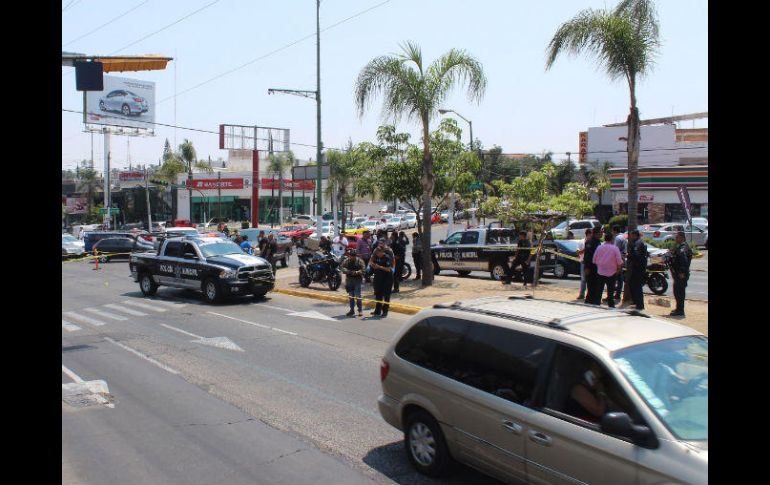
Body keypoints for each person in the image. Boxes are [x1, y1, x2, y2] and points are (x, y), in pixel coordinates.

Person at [593, 232, 624, 307]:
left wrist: (600, 264)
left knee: (599, 289)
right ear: (612, 239)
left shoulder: (599, 247)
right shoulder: (615, 248)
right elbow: (619, 261)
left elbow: (594, 260)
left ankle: (597, 303)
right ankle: (611, 305)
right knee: (610, 290)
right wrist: (618, 269)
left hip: (600, 271)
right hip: (612, 272)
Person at [669, 231, 692, 317]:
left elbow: (684, 261)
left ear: (682, 238)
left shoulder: (683, 248)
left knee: (679, 292)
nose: (675, 239)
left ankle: (680, 311)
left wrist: (682, 272)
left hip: (681, 274)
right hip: (679, 274)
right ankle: (678, 309)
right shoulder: (681, 247)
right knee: (677, 291)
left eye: (677, 237)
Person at [625, 230, 648, 310]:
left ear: (634, 235)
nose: (630, 237)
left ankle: (639, 305)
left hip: (638, 267)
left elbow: (636, 255)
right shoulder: (639, 242)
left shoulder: (638, 243)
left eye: (631, 235)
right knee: (632, 284)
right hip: (638, 267)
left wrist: (628, 255)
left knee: (636, 286)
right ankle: (636, 303)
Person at [369, 245, 393, 317]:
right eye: (376, 253)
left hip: (387, 279)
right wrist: (372, 265)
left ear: (382, 252)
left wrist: (379, 267)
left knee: (386, 296)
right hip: (378, 278)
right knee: (378, 294)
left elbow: (388, 269)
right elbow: (374, 265)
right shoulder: (376, 257)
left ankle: (385, 311)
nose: (377, 254)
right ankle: (377, 311)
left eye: (378, 252)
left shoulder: (387, 257)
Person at [341, 248, 366, 317]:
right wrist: (349, 272)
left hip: (357, 280)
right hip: (349, 280)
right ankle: (352, 310)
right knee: (351, 296)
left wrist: (357, 272)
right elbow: (342, 268)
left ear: (356, 255)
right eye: (351, 255)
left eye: (354, 255)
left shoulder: (360, 261)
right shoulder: (347, 260)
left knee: (358, 296)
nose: (352, 257)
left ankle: (360, 310)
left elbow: (363, 269)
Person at [583, 227, 602, 304]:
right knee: (591, 285)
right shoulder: (590, 242)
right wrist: (587, 267)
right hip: (591, 267)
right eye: (601, 232)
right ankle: (589, 301)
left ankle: (594, 301)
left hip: (597, 267)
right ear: (596, 233)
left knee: (596, 285)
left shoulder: (598, 241)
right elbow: (588, 255)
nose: (602, 234)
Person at [612, 226, 627, 301]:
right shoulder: (623, 237)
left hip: (618, 259)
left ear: (614, 231)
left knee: (614, 277)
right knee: (619, 278)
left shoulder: (617, 238)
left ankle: (614, 294)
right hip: (622, 258)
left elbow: (615, 250)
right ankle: (618, 294)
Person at [576, 228, 591, 300]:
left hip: (591, 263)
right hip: (583, 262)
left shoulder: (593, 242)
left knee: (590, 279)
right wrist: (585, 249)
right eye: (590, 235)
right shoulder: (581, 242)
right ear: (587, 234)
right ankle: (582, 294)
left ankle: (590, 294)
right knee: (583, 279)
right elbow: (578, 252)